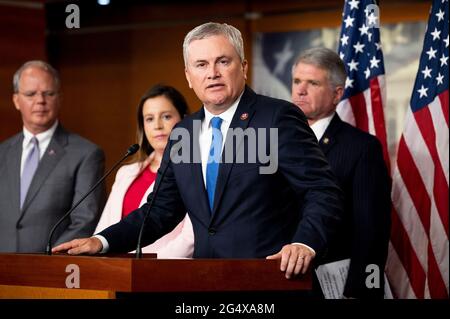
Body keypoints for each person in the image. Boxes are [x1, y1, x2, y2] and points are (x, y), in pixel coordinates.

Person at [53, 22, 344, 280]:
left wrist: (305, 243)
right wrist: (102, 241)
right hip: (205, 281)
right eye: (201, 65)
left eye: (223, 62)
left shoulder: (277, 117)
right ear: (189, 76)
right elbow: (160, 211)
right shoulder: (183, 133)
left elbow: (322, 191)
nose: (213, 73)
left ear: (243, 67)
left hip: (268, 280)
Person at [291, 47, 391, 298]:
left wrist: (362, 289)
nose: (300, 90)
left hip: (332, 285)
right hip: (277, 276)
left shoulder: (361, 148)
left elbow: (371, 230)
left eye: (312, 83)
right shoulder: (278, 142)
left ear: (337, 94)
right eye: (296, 81)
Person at [0, 60, 106, 253]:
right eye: (31, 94)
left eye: (48, 93)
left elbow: (85, 220)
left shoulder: (87, 154)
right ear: (16, 100)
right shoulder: (2, 152)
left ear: (60, 98)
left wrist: (47, 258)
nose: (40, 100)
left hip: (50, 270)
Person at [95, 84, 194, 257]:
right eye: (149, 118)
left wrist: (149, 267)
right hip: (118, 271)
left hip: (165, 271)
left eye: (166, 116)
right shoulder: (126, 172)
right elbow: (105, 226)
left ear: (184, 120)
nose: (157, 125)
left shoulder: (195, 171)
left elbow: (190, 238)